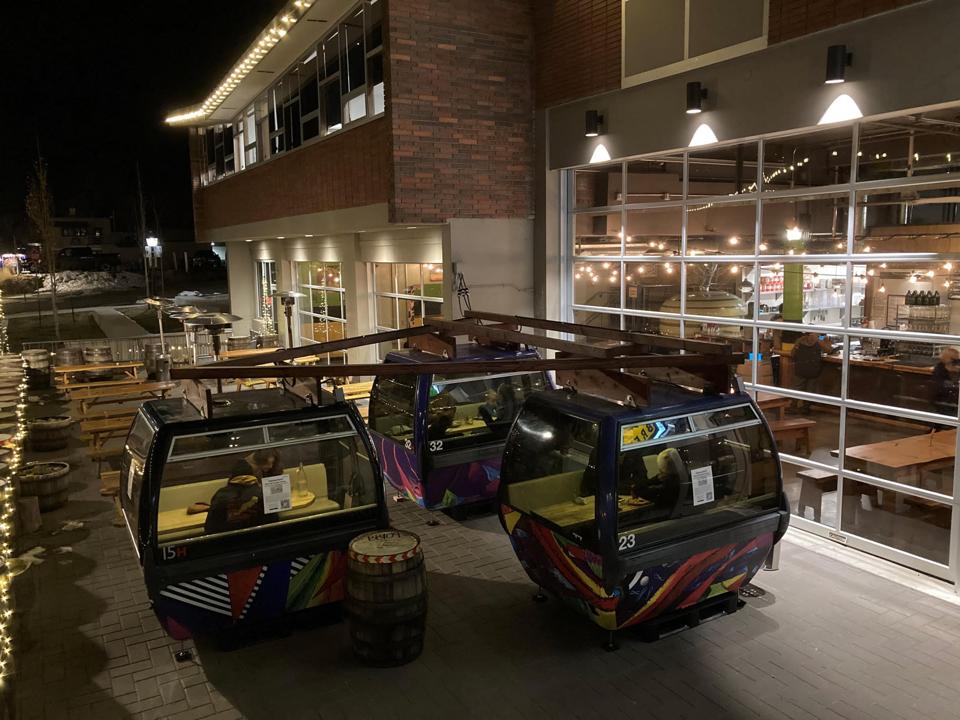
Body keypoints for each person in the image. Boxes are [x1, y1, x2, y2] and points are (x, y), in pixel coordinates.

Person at [204, 449, 283, 535]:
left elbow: (209, 528)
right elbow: (273, 522)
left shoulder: (220, 494)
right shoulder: (261, 496)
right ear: (256, 473)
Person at [790, 332, 832, 414]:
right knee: (810, 389)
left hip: (801, 368)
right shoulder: (819, 339)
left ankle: (793, 406)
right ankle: (805, 408)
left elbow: (792, 354)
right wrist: (823, 341)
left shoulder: (800, 339)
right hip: (813, 369)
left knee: (797, 387)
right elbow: (829, 350)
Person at [930, 347, 960, 414]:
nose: (957, 363)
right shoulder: (939, 369)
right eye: (956, 360)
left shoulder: (955, 368)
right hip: (943, 403)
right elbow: (941, 387)